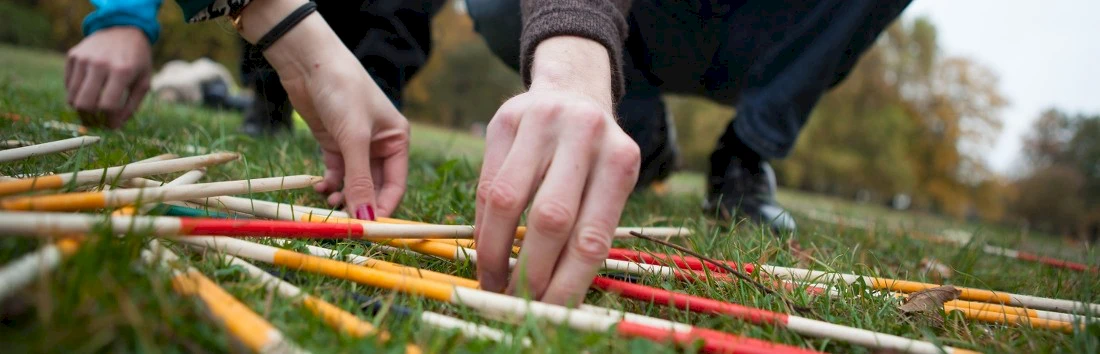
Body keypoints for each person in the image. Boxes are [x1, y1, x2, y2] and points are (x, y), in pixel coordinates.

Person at [467, 0, 911, 236]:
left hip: (771, 24)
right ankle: (641, 133)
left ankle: (745, 154)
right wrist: (572, 60)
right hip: (644, 15)